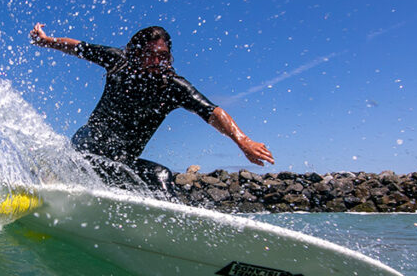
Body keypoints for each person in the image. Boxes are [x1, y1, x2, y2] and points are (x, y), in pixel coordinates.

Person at [30, 22, 274, 196]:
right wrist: (47, 41)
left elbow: (212, 111)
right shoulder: (119, 61)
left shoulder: (173, 87)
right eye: (150, 55)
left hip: (120, 162)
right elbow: (79, 47)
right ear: (136, 52)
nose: (158, 62)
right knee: (101, 137)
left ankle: (170, 235)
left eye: (163, 56)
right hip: (87, 149)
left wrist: (243, 140)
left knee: (162, 177)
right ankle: (50, 179)